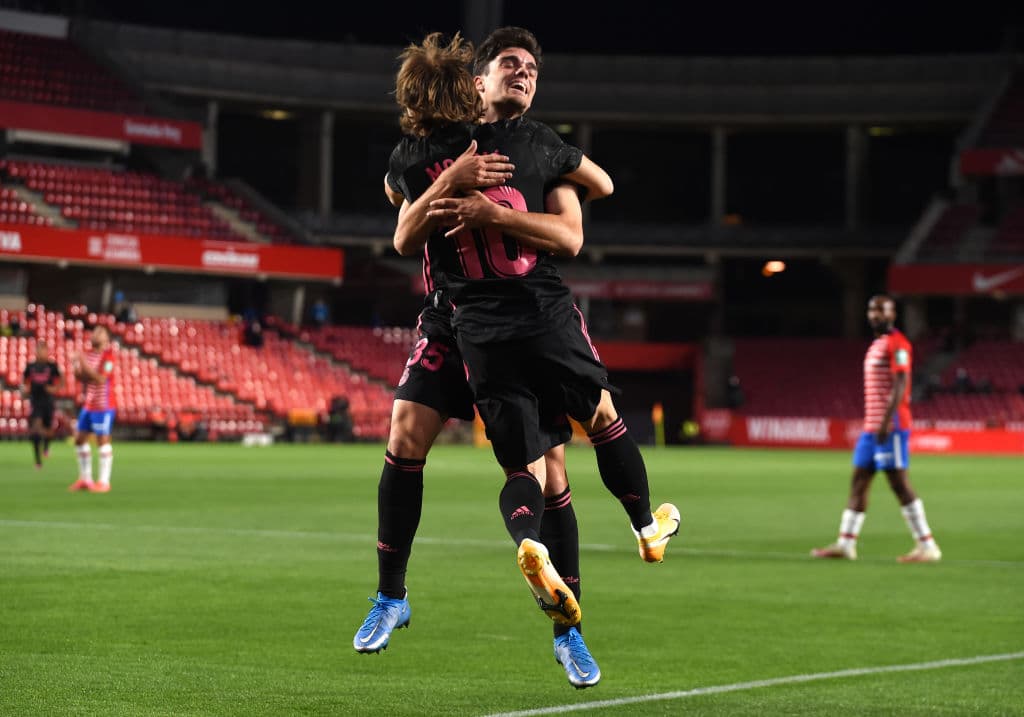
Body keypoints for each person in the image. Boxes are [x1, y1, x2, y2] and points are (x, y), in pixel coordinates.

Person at [358, 28, 681, 686]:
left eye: (532, 68)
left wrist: (553, 176)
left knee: (552, 468)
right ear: (474, 80)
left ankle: (570, 633)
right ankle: (392, 596)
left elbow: (590, 195)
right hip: (453, 317)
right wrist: (459, 174)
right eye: (511, 65)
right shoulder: (433, 149)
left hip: (515, 311)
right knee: (406, 429)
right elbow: (403, 223)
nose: (525, 75)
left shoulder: (535, 144)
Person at [812, 295, 941, 563]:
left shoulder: (897, 343)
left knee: (898, 482)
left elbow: (901, 381)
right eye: (872, 310)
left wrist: (886, 421)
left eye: (882, 310)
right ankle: (846, 544)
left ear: (893, 315)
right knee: (859, 480)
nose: (875, 315)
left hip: (889, 426)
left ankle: (927, 545)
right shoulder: (877, 345)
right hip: (871, 429)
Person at [68, 325, 117, 493]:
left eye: (101, 332)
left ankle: (104, 482)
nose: (97, 333)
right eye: (95, 331)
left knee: (102, 442)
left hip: (103, 406)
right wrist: (75, 363)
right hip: (89, 404)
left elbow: (100, 379)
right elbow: (82, 377)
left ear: (106, 339)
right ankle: (86, 479)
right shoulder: (88, 355)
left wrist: (81, 361)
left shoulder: (109, 357)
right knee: (79, 440)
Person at [23, 339, 64, 470]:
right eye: (39, 350)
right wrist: (26, 389)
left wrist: (54, 389)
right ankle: (38, 460)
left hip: (48, 402)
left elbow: (61, 381)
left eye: (43, 350)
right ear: (36, 352)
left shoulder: (52, 366)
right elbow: (24, 382)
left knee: (49, 431)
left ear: (47, 352)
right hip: (36, 402)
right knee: (36, 429)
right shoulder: (30, 366)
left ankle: (46, 447)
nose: (41, 352)